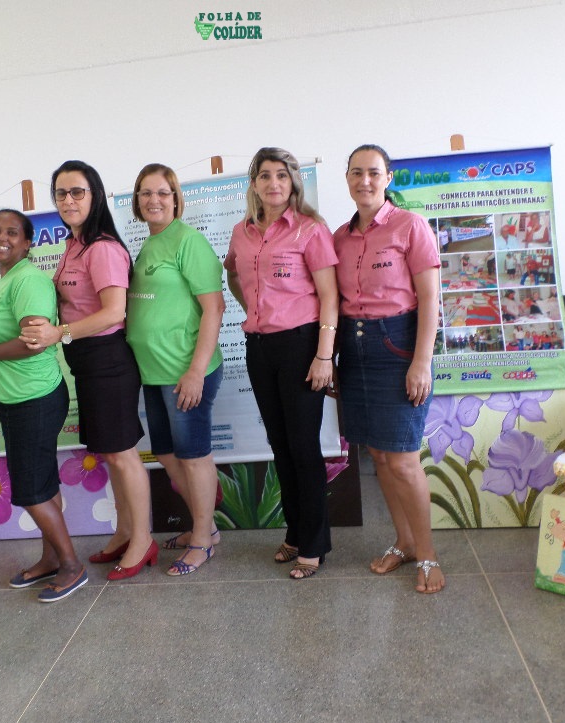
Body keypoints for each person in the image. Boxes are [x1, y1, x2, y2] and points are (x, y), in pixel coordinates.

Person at [20, 161, 155, 581]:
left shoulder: (103, 248)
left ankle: (143, 540)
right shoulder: (73, 245)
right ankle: (124, 532)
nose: (68, 200)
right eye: (61, 193)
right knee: (110, 454)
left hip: (108, 360)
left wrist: (58, 333)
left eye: (77, 192)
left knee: (123, 454)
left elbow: (114, 312)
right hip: (87, 361)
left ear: (94, 196)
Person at [333, 144, 445, 594]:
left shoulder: (410, 226)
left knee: (402, 458)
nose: (365, 181)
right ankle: (404, 542)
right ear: (347, 178)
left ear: (388, 178)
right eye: (356, 172)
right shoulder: (339, 237)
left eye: (374, 173)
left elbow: (431, 299)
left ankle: (428, 554)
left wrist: (422, 361)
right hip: (353, 347)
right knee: (378, 455)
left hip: (397, 344)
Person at [225, 147, 338, 580]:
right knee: (280, 444)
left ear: (293, 183)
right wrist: (254, 310)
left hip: (301, 345)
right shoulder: (241, 232)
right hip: (259, 347)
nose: (274, 183)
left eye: (282, 175)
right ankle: (295, 531)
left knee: (303, 447)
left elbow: (329, 296)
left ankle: (314, 544)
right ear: (254, 184)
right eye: (265, 175)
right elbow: (233, 273)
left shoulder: (310, 229)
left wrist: (324, 355)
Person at [0, 209, 86, 602]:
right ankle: (51, 558)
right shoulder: (7, 280)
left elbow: (34, 340)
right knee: (42, 483)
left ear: (28, 242)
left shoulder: (29, 280)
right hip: (13, 398)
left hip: (34, 399)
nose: (2, 237)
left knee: (31, 490)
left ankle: (71, 566)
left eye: (12, 232)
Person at [126, 163, 225, 576]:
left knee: (194, 455)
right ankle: (207, 526)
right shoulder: (148, 245)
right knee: (167, 455)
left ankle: (202, 539)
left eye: (162, 193)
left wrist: (195, 372)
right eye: (146, 193)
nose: (154, 200)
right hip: (153, 374)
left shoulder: (189, 241)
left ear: (176, 198)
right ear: (137, 201)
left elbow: (214, 308)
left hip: (186, 372)